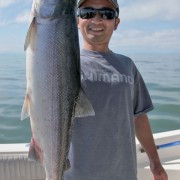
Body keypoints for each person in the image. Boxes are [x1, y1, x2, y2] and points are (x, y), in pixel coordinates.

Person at [64, 0, 168, 179]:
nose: (96, 20)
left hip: (124, 174)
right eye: (88, 12)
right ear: (77, 20)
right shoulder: (63, 65)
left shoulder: (127, 65)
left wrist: (155, 162)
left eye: (106, 14)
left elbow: (139, 116)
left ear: (116, 23)